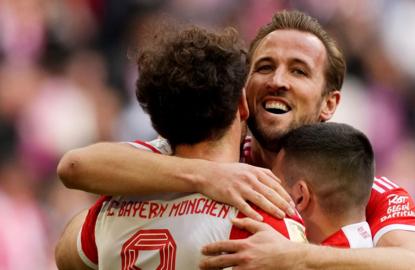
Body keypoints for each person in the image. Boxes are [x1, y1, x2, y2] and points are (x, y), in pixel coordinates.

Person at [57, 10, 415, 269]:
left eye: (298, 71)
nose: (277, 81)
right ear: (243, 90)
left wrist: (298, 256)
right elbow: (77, 167)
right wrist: (207, 177)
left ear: (329, 103)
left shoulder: (362, 185)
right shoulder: (184, 154)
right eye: (264, 67)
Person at [55, 24, 307, 269]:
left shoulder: (114, 205)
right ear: (242, 103)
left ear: (159, 122)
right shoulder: (259, 213)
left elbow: (65, 257)